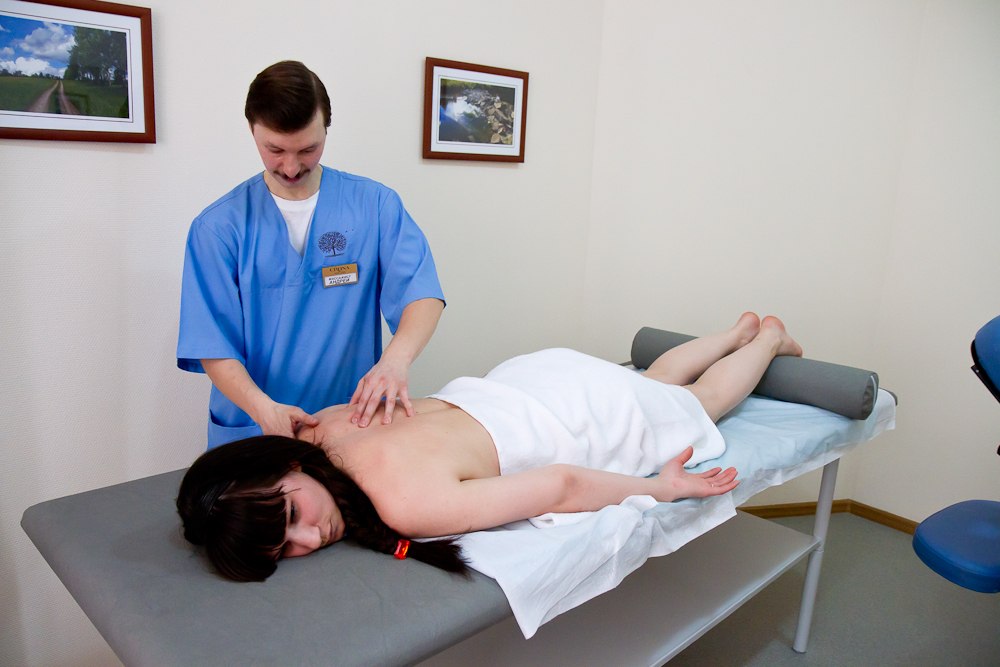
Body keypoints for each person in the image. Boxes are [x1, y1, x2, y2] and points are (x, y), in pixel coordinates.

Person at [178, 313, 803, 581]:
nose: (311, 538)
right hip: (528, 378)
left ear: (284, 467)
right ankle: (736, 331)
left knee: (699, 403)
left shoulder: (401, 504)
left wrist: (658, 488)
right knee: (651, 383)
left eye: (292, 515)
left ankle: (767, 339)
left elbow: (561, 484)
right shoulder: (317, 428)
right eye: (286, 549)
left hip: (569, 416)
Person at [177, 60, 444, 449]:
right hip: (254, 426)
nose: (290, 167)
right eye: (274, 150)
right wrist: (264, 410)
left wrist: (395, 361)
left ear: (326, 130)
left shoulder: (374, 205)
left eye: (308, 149)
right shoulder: (218, 228)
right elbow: (211, 344)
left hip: (349, 425)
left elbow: (422, 294)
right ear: (252, 129)